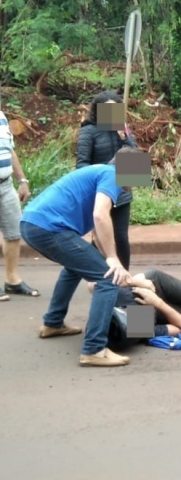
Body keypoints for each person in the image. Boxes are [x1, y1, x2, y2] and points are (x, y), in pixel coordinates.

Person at [20, 146, 141, 367]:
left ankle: (53, 323)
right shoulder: (111, 175)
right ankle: (94, 350)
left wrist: (108, 256)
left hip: (34, 223)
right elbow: (100, 215)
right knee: (108, 278)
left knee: (74, 268)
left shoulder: (102, 172)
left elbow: (96, 230)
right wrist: (113, 260)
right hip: (48, 227)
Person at [76, 91, 138, 270]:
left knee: (121, 238)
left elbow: (134, 159)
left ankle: (124, 277)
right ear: (97, 111)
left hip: (122, 193)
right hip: (100, 193)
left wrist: (124, 138)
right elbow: (81, 165)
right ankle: (100, 276)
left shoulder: (123, 129)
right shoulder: (88, 130)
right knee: (100, 238)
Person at [88, 269, 181, 338]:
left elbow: (92, 284)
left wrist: (135, 282)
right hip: (159, 306)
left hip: (155, 284)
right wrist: (157, 303)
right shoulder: (136, 329)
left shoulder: (110, 302)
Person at [0, 110, 40, 301]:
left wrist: (22, 180)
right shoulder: (93, 130)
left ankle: (12, 280)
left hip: (6, 184)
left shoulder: (1, 117)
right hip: (116, 184)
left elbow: (9, 150)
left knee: (14, 233)